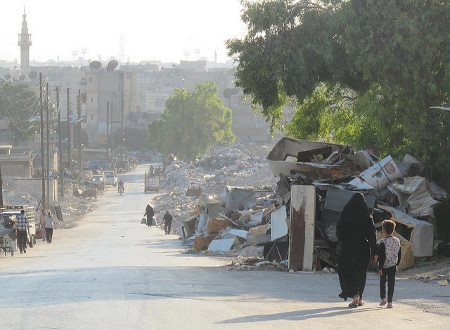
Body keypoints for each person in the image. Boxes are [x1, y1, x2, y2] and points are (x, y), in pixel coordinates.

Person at [336, 193, 378, 308]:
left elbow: (339, 234)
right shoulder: (367, 216)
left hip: (348, 248)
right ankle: (359, 297)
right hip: (363, 248)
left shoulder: (345, 215)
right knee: (361, 273)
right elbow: (372, 236)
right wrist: (375, 251)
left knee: (348, 272)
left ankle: (355, 295)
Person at [378, 219, 401, 309]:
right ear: (393, 229)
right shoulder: (397, 241)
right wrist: (397, 262)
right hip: (393, 265)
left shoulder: (382, 242)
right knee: (391, 283)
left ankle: (383, 298)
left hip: (384, 265)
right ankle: (390, 302)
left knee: (382, 282)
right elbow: (399, 253)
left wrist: (380, 267)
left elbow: (382, 255)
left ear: (384, 230)